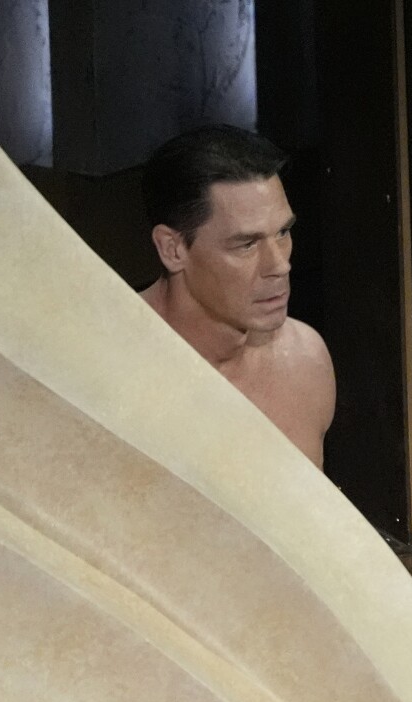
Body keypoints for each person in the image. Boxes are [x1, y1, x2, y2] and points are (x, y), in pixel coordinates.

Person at [140, 126, 336, 466]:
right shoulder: (106, 367)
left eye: (283, 233)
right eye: (246, 244)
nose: (279, 266)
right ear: (172, 249)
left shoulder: (305, 360)